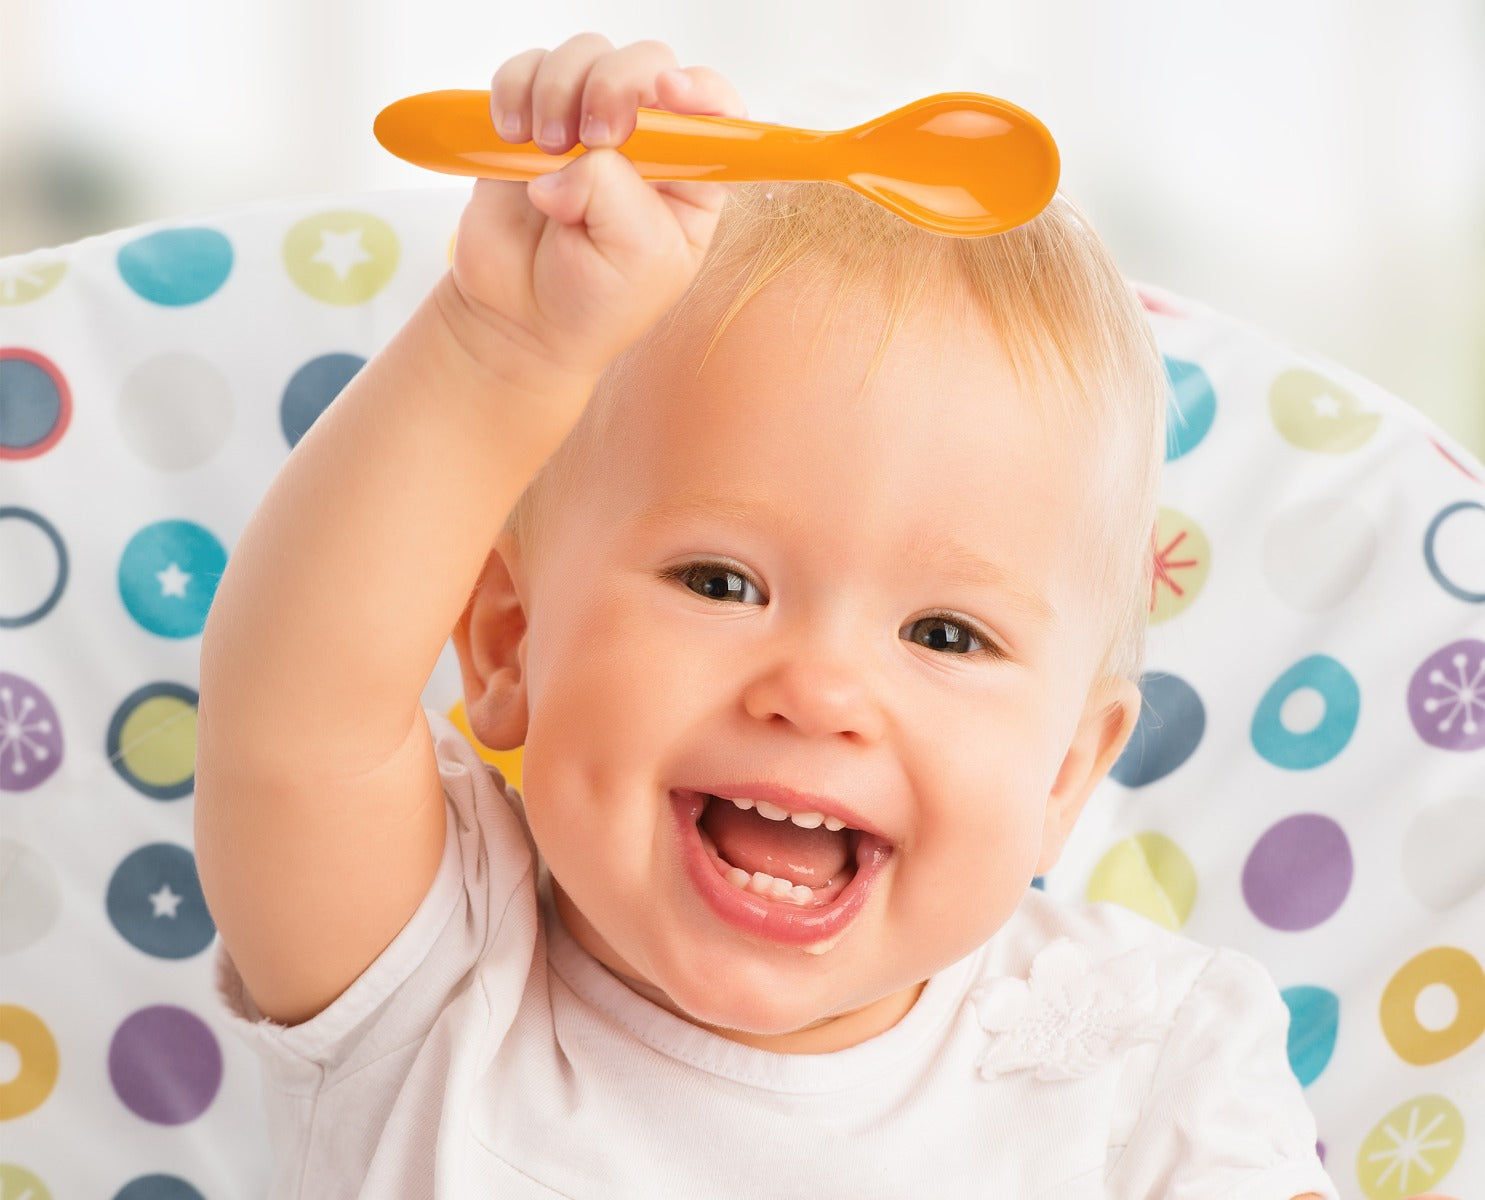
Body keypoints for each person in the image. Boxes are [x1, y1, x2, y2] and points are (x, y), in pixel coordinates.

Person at [195, 33, 1338, 1199]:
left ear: (1064, 778)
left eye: (945, 635)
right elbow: (295, 726)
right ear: (507, 640)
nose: (821, 690)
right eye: (721, 583)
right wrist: (502, 347)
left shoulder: (1151, 1071)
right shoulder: (434, 973)